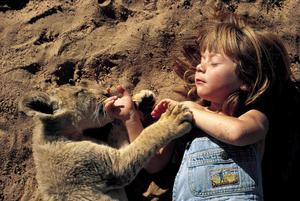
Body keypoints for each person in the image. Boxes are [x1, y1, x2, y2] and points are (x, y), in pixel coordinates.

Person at [104, 13, 299, 200]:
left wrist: (191, 110)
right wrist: (130, 116)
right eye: (201, 60)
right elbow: (154, 163)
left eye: (213, 63)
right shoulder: (183, 117)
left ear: (245, 79)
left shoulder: (253, 117)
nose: (200, 66)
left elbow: (237, 133)